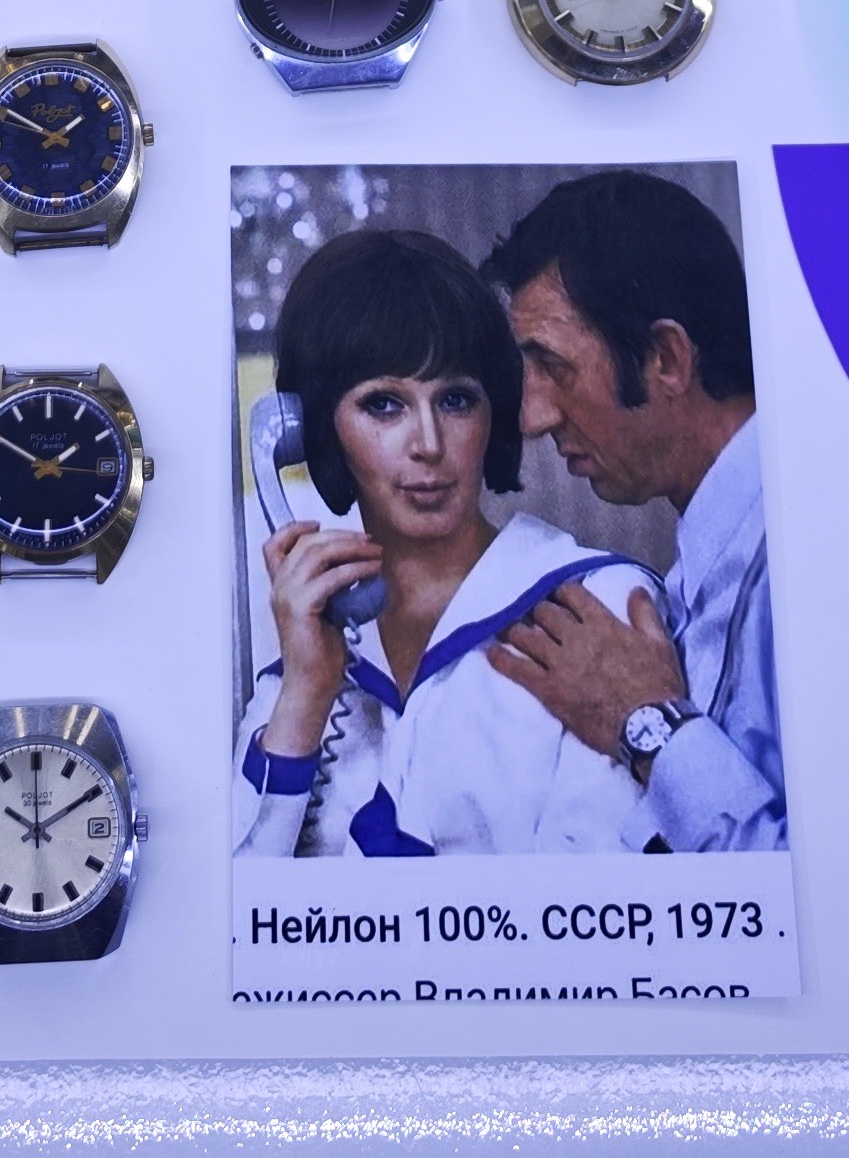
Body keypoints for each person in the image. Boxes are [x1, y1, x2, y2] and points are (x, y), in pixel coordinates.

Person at [237, 228, 658, 857]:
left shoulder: (598, 608)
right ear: (316, 430)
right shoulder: (299, 675)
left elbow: (605, 898)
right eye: (384, 406)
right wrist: (305, 696)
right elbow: (235, 908)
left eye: (456, 400)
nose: (429, 445)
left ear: (496, 415)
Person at [481, 173, 784, 852]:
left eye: (553, 366)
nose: (532, 417)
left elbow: (842, 888)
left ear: (666, 358)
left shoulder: (809, 559)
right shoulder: (708, 566)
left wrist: (646, 723)